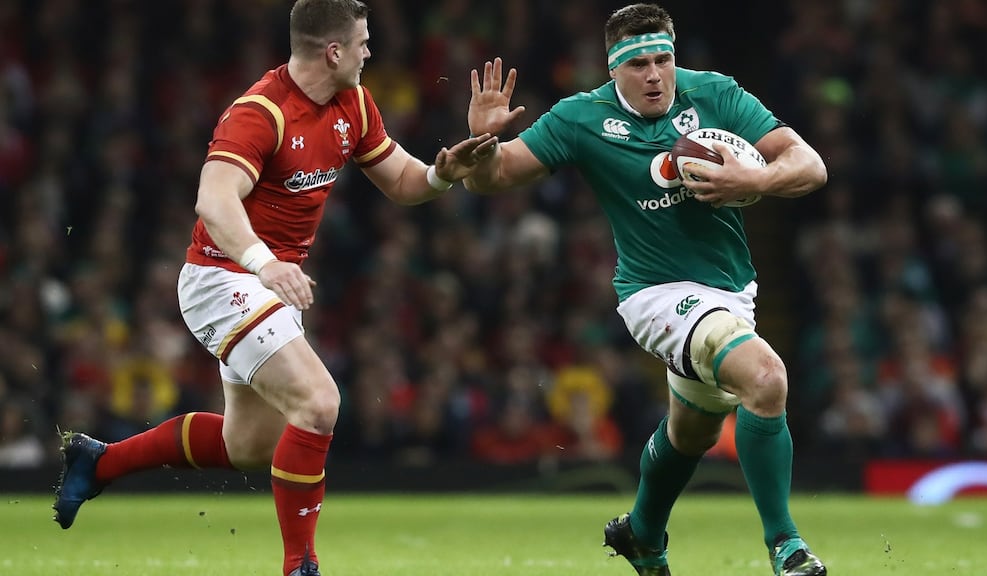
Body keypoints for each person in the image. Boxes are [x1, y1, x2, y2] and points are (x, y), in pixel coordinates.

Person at [51, 2, 497, 576]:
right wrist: (264, 264)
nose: (369, 52)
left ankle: (99, 461)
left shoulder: (355, 104)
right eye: (362, 42)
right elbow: (214, 201)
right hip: (223, 277)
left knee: (249, 448)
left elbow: (405, 182)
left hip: (270, 284)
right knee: (319, 403)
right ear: (333, 51)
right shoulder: (260, 112)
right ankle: (300, 566)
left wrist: (443, 174)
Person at [463, 4, 828, 576]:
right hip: (654, 294)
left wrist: (755, 177)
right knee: (766, 378)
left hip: (731, 291)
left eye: (663, 59)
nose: (655, 75)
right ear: (613, 68)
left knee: (692, 433)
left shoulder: (715, 94)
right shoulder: (581, 118)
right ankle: (786, 545)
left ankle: (642, 532)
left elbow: (810, 165)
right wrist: (483, 141)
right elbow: (494, 177)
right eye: (639, 65)